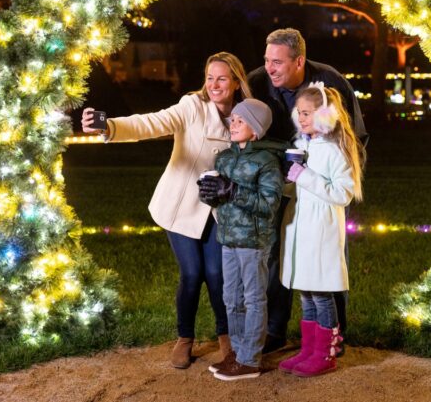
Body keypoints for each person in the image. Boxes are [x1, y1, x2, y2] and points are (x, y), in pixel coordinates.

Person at [81, 52, 250, 369]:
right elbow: (151, 123)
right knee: (192, 273)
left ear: (237, 82)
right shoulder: (192, 107)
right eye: (209, 77)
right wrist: (109, 126)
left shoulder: (246, 117)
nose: (214, 84)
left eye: (222, 78)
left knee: (218, 275)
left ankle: (226, 337)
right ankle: (185, 338)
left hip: (219, 210)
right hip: (180, 206)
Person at [247, 28, 367, 352]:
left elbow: (353, 137)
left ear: (299, 61)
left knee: (326, 264)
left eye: (278, 62)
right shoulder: (257, 82)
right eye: (267, 60)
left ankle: (334, 335)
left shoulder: (330, 83)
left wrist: (333, 177)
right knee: (279, 256)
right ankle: (276, 330)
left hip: (321, 187)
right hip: (280, 185)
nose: (269, 68)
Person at [276, 83, 364, 377]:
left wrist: (306, 176)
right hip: (301, 229)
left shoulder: (334, 150)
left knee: (321, 294)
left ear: (326, 115)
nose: (301, 118)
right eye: (299, 113)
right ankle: (308, 349)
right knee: (306, 292)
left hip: (321, 230)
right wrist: (287, 178)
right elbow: (297, 186)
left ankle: (325, 354)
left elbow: (343, 193)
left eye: (308, 113)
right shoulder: (302, 146)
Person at [197, 98, 285, 381]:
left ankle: (250, 359)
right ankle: (236, 352)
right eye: (232, 119)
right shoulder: (224, 157)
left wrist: (233, 190)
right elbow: (218, 197)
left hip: (253, 240)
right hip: (228, 238)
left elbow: (269, 204)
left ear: (256, 129)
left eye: (240, 121)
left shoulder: (267, 162)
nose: (232, 124)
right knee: (230, 297)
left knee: (254, 298)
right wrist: (210, 193)